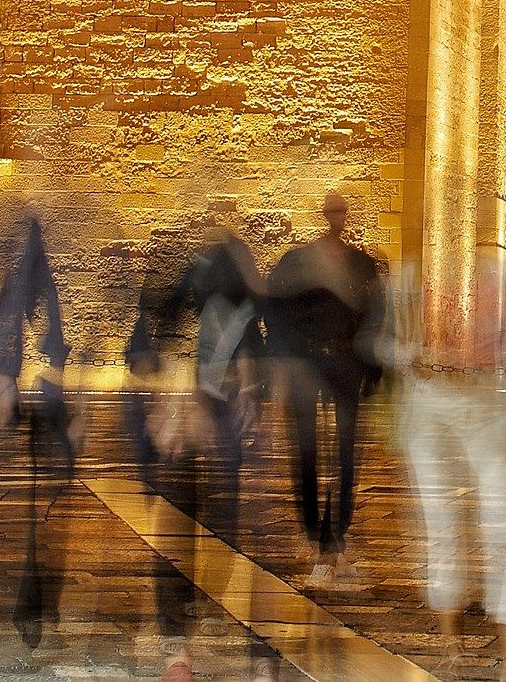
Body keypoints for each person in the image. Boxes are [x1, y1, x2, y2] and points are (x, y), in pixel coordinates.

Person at [128, 227, 275, 682]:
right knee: (177, 528)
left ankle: (188, 632)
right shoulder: (184, 306)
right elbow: (150, 351)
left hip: (219, 422)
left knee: (222, 530)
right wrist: (171, 408)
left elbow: (256, 358)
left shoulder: (245, 311)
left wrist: (249, 394)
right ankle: (177, 640)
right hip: (184, 424)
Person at [264, 189, 387, 587]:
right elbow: (274, 305)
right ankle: (315, 532)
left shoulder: (360, 264)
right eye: (331, 210)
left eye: (341, 210)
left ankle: (335, 534)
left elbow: (376, 313)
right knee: (306, 452)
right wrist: (284, 355)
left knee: (345, 453)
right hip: (307, 363)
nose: (337, 216)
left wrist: (370, 363)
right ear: (325, 214)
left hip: (345, 363)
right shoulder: (298, 261)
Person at [0, 212, 77, 652]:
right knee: (32, 506)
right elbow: (23, 327)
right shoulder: (32, 278)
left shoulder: (28, 277)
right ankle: (30, 598)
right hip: (37, 398)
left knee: (35, 505)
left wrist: (6, 383)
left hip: (37, 399)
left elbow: (23, 328)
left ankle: (32, 598)